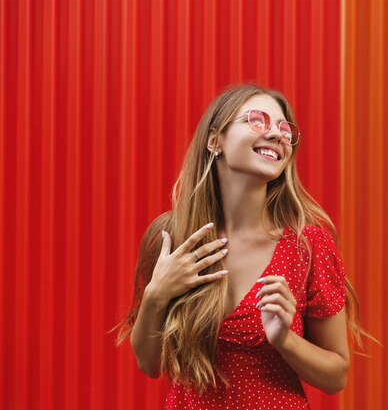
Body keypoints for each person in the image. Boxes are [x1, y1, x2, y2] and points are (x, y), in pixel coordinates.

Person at [114, 83, 371, 409]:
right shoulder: (172, 238)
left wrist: (284, 340)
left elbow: (336, 377)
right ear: (214, 140)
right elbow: (148, 364)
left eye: (284, 129)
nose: (278, 134)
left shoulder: (308, 246)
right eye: (257, 120)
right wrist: (156, 295)